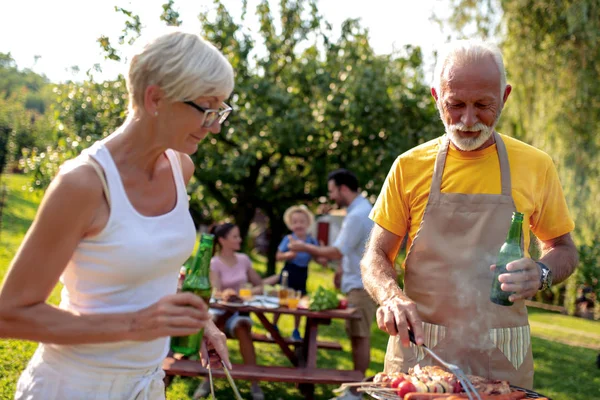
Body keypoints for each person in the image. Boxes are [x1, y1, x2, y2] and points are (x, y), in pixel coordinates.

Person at [0, 29, 234, 399]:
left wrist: (197, 320)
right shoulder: (83, 184)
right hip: (75, 386)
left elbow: (146, 260)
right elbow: (9, 314)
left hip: (146, 384)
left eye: (220, 110)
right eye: (206, 109)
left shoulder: (180, 168)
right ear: (156, 98)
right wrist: (136, 324)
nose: (216, 125)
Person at [361, 39, 579, 390]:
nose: (467, 120)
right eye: (455, 105)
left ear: (505, 97)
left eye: (482, 105)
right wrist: (391, 296)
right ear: (436, 97)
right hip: (420, 355)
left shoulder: (536, 166)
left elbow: (564, 249)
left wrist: (542, 272)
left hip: (502, 357)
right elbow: (375, 255)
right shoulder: (408, 166)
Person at [288, 169, 376, 400]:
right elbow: (352, 249)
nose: (332, 196)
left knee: (360, 336)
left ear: (343, 188)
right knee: (356, 335)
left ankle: (356, 392)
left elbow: (337, 250)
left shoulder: (358, 215)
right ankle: (355, 388)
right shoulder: (358, 210)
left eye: (332, 191)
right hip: (355, 282)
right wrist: (340, 269)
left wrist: (303, 247)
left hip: (362, 285)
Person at [193, 222, 264, 400]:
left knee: (242, 327)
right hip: (219, 311)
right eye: (235, 236)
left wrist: (242, 294)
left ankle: (254, 383)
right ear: (222, 240)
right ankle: (207, 380)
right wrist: (229, 294)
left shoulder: (244, 260)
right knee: (213, 327)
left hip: (239, 312)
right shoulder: (214, 263)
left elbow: (260, 286)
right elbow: (216, 291)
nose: (240, 239)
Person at [273, 204, 318, 340]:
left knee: (298, 303)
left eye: (301, 222)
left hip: (302, 274)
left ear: (308, 223)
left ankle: (296, 330)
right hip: (289, 272)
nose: (298, 225)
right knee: (283, 300)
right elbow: (278, 256)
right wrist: (288, 255)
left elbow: (317, 255)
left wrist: (321, 258)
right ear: (290, 224)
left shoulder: (311, 241)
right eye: (295, 222)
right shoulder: (288, 239)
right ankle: (274, 326)